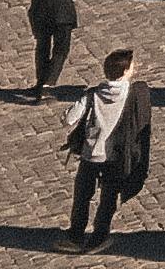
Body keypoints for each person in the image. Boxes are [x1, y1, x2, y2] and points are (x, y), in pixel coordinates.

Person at [65, 43, 154, 249]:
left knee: (82, 196)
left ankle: (75, 235)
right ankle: (99, 236)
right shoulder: (133, 94)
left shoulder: (92, 95)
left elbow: (69, 118)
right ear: (124, 72)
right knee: (108, 198)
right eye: (132, 66)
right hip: (116, 156)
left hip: (90, 154)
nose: (135, 68)